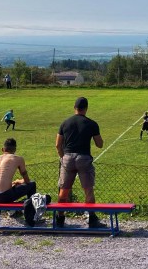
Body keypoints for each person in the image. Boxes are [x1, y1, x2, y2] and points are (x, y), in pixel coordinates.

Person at [56, 97, 104, 228]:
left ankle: (60, 218)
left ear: (74, 108)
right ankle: (92, 218)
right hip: (83, 158)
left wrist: (63, 158)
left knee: (64, 190)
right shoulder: (91, 123)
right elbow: (99, 144)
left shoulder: (65, 123)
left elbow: (57, 145)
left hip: (67, 158)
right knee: (88, 190)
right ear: (86, 108)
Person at [0, 138, 39, 224]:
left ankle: (12, 211)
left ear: (2, 149)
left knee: (11, 188)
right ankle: (31, 215)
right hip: (4, 197)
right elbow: (27, 180)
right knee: (32, 184)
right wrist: (20, 181)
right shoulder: (18, 158)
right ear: (15, 149)